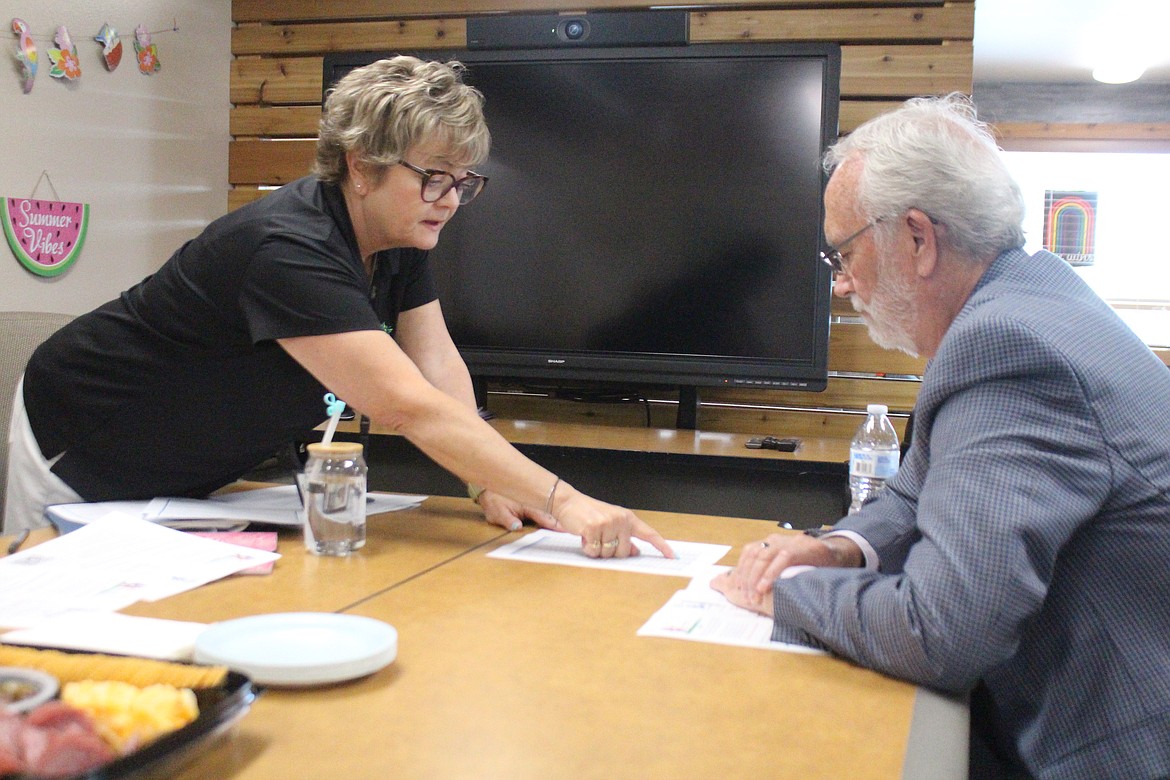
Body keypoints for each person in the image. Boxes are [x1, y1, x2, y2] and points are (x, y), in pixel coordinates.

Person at [5, 56, 673, 562]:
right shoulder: (287, 248)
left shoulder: (397, 237)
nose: (448, 197)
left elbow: (437, 364)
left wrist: (484, 481)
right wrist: (567, 500)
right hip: (79, 442)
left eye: (462, 180)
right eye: (432, 175)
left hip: (180, 473)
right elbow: (404, 403)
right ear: (361, 166)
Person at [712, 94, 1170, 778]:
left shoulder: (1006, 345)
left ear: (919, 239)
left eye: (842, 253)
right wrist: (836, 549)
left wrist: (785, 596)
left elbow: (942, 630)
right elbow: (921, 489)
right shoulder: (1035, 299)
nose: (841, 286)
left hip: (1108, 746)